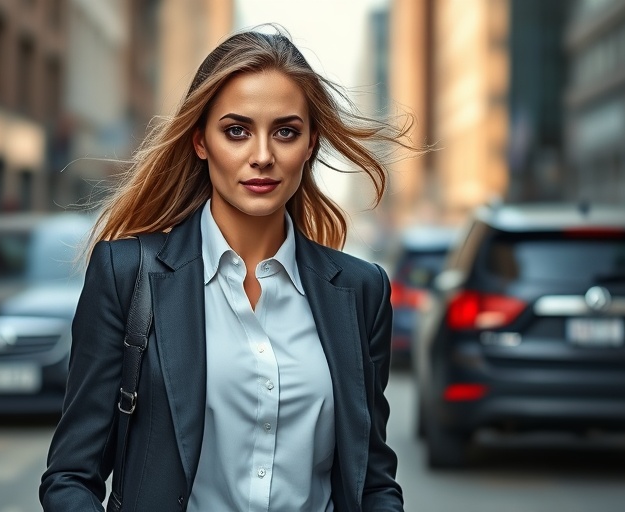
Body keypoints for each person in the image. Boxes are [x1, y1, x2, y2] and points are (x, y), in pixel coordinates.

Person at [40, 26, 420, 511]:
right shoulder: (126, 275)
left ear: (310, 145)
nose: (262, 156)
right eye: (236, 131)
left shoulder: (361, 292)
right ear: (201, 142)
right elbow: (71, 476)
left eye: (286, 131)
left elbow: (372, 482)